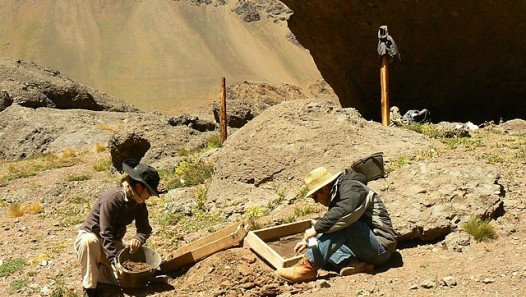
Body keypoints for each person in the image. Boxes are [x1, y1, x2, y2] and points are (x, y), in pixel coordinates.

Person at [275, 167, 397, 283]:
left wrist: (316, 228)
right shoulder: (338, 195)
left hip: (381, 249)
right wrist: (308, 241)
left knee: (342, 225)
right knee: (320, 243)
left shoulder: (352, 187)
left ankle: (308, 267)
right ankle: (355, 264)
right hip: (365, 248)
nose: (316, 201)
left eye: (315, 196)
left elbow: (345, 212)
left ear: (325, 189)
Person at [74, 159, 160, 297]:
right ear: (139, 187)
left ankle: (103, 273)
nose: (150, 196)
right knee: (90, 241)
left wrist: (138, 238)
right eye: (149, 191)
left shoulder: (139, 204)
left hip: (111, 244)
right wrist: (115, 262)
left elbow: (145, 229)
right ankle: (89, 288)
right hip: (94, 238)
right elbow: (105, 233)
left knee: (128, 279)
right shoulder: (112, 199)